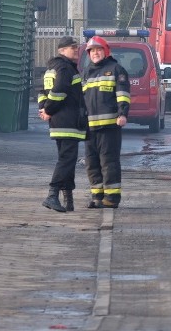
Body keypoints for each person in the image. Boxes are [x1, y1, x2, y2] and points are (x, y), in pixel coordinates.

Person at [38, 36, 87, 213]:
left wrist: (43, 109)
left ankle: (68, 199)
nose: (76, 50)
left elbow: (42, 91)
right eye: (71, 47)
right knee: (66, 160)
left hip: (58, 121)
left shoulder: (52, 68)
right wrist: (49, 109)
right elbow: (58, 92)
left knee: (67, 159)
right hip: (68, 121)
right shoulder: (65, 68)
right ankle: (52, 195)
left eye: (76, 47)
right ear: (61, 50)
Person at [81, 35, 130, 209]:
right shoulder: (86, 72)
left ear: (106, 51)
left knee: (108, 162)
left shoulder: (116, 69)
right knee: (91, 163)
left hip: (109, 126)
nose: (95, 53)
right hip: (90, 128)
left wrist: (122, 114)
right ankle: (97, 197)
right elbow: (82, 99)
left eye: (98, 50)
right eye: (92, 51)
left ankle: (111, 198)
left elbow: (123, 95)